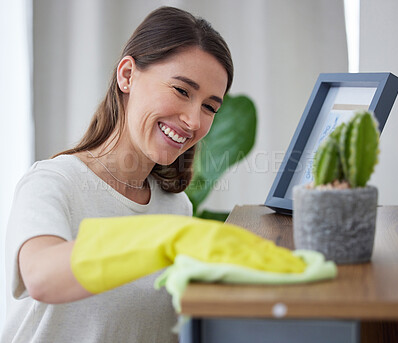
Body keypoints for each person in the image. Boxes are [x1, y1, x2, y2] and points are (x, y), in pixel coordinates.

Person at [2, 6, 233, 343]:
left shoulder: (175, 206)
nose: (194, 121)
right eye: (182, 91)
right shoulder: (53, 183)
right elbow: (40, 276)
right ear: (127, 75)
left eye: (210, 106)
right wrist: (162, 239)